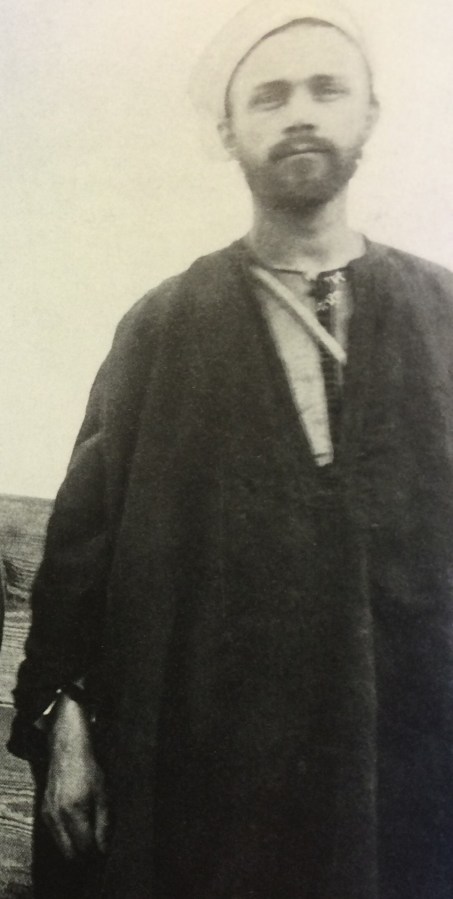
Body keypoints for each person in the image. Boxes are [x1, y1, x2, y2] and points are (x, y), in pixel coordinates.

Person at [8, 1, 453, 897]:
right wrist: (64, 719)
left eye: (326, 89)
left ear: (368, 113)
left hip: (409, 767)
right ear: (227, 130)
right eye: (269, 95)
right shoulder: (164, 327)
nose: (300, 113)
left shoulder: (441, 317)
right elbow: (82, 553)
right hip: (206, 777)